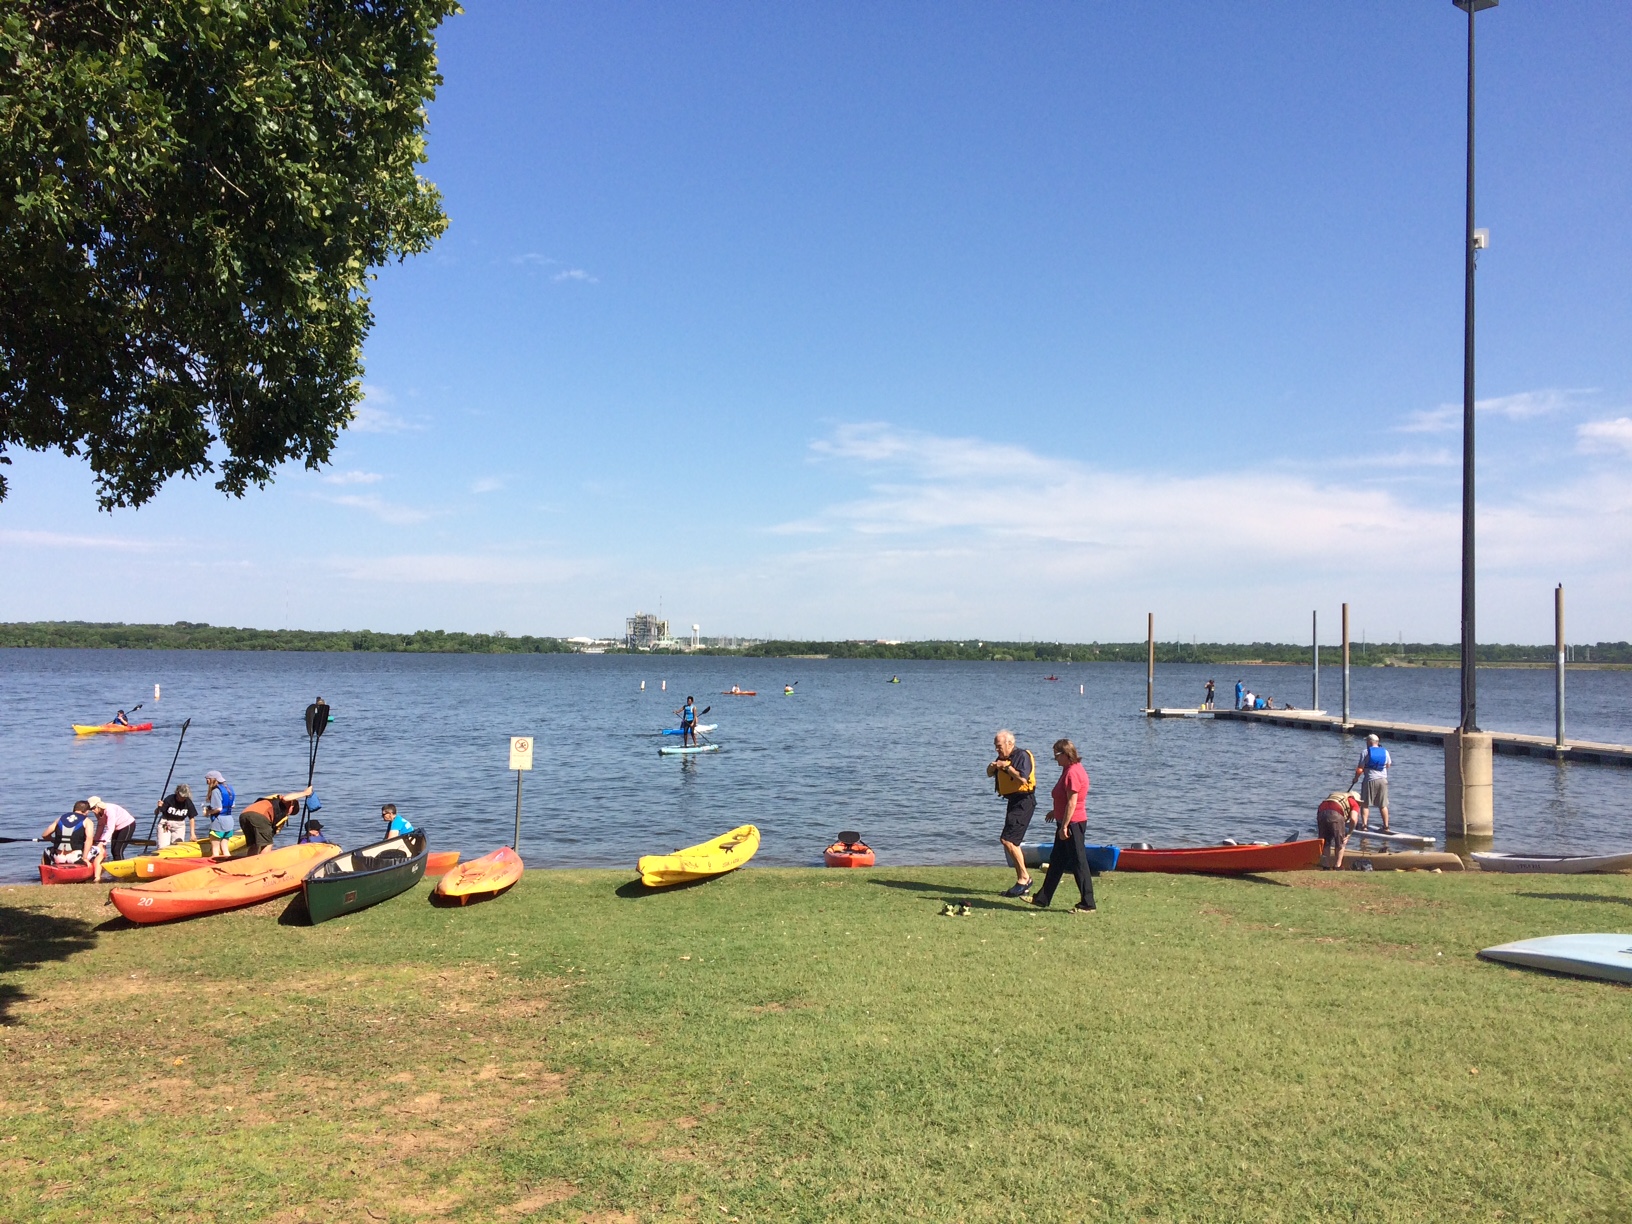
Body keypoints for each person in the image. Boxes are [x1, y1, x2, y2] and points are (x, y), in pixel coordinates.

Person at [1029, 739, 1096, 914]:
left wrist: (1064, 826)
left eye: (1057, 756)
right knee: (1057, 861)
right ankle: (1042, 898)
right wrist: (1055, 812)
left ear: (1066, 755)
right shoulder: (1068, 770)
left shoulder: (1073, 773)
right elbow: (1065, 799)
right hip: (1066, 822)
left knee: (1078, 863)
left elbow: (1073, 802)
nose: (1055, 760)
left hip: (1073, 824)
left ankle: (1088, 903)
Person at [987, 730, 1038, 897]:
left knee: (1008, 840)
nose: (997, 750)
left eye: (999, 746)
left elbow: (1023, 779)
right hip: (1014, 801)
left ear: (1010, 744)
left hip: (1024, 802)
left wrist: (1006, 767)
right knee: (1011, 841)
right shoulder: (1001, 759)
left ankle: (1024, 878)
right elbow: (989, 774)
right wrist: (993, 767)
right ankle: (1023, 881)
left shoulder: (1021, 756)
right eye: (995, 747)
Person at [238, 787, 312, 855]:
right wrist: (305, 793)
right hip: (259, 816)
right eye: (292, 812)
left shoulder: (271, 802)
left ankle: (250, 863)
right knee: (267, 844)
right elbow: (286, 798)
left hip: (244, 815)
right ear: (292, 806)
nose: (289, 814)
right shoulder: (288, 802)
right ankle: (264, 865)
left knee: (254, 844)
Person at [85, 797, 137, 881]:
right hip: (117, 828)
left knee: (117, 850)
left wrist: (102, 843)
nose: (93, 811)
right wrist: (96, 840)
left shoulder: (110, 810)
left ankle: (122, 875)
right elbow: (101, 825)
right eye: (91, 809)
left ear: (99, 806)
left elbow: (110, 829)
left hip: (127, 825)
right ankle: (116, 872)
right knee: (113, 850)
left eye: (94, 808)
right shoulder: (98, 812)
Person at [1352, 734, 1393, 833]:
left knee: (1365, 804)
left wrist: (1355, 779)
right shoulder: (1385, 751)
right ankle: (1386, 827)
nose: (1366, 743)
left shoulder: (1365, 752)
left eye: (1367, 741)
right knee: (1383, 805)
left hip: (1370, 780)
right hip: (1383, 780)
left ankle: (1364, 826)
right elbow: (1388, 765)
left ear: (1370, 742)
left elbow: (1360, 769)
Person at [1317, 790, 1362, 870]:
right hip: (1336, 812)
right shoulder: (1354, 803)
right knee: (1340, 841)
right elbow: (1353, 819)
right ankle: (1338, 866)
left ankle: (1326, 866)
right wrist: (1349, 834)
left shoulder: (1337, 797)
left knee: (1325, 841)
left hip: (1321, 811)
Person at [154, 783, 197, 850]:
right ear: (177, 793)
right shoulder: (169, 799)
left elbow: (191, 818)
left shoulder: (188, 802)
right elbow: (157, 813)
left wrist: (192, 834)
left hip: (179, 825)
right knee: (163, 846)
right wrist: (159, 807)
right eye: (181, 796)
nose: (182, 798)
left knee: (178, 848)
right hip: (166, 824)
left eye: (184, 797)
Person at [202, 770, 235, 849]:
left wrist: (208, 812)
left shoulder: (215, 791)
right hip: (229, 821)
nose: (207, 782)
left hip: (218, 823)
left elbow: (218, 809)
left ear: (211, 780)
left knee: (215, 849)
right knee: (225, 848)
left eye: (207, 780)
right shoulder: (229, 789)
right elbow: (232, 805)